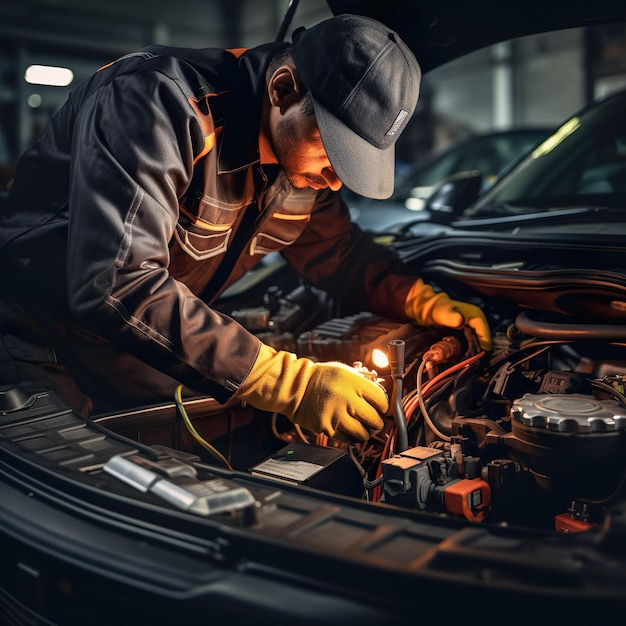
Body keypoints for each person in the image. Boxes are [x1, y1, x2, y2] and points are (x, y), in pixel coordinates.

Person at [0, 14, 491, 443]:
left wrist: (422, 300)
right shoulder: (157, 104)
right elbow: (116, 282)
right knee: (89, 484)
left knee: (206, 442)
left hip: (133, 340)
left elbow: (337, 252)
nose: (336, 181)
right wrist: (287, 383)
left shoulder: (299, 160)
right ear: (283, 89)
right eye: (333, 150)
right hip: (33, 330)